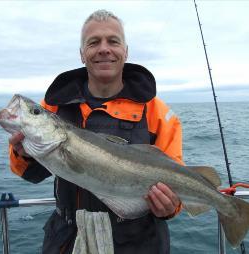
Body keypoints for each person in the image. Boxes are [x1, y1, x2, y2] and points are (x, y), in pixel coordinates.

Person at [9, 10, 184, 254]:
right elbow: (31, 173)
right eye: (93, 42)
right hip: (67, 240)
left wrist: (171, 206)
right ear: (82, 54)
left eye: (113, 41)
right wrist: (24, 154)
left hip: (139, 242)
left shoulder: (157, 112)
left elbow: (177, 181)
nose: (104, 49)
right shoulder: (54, 107)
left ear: (126, 51)